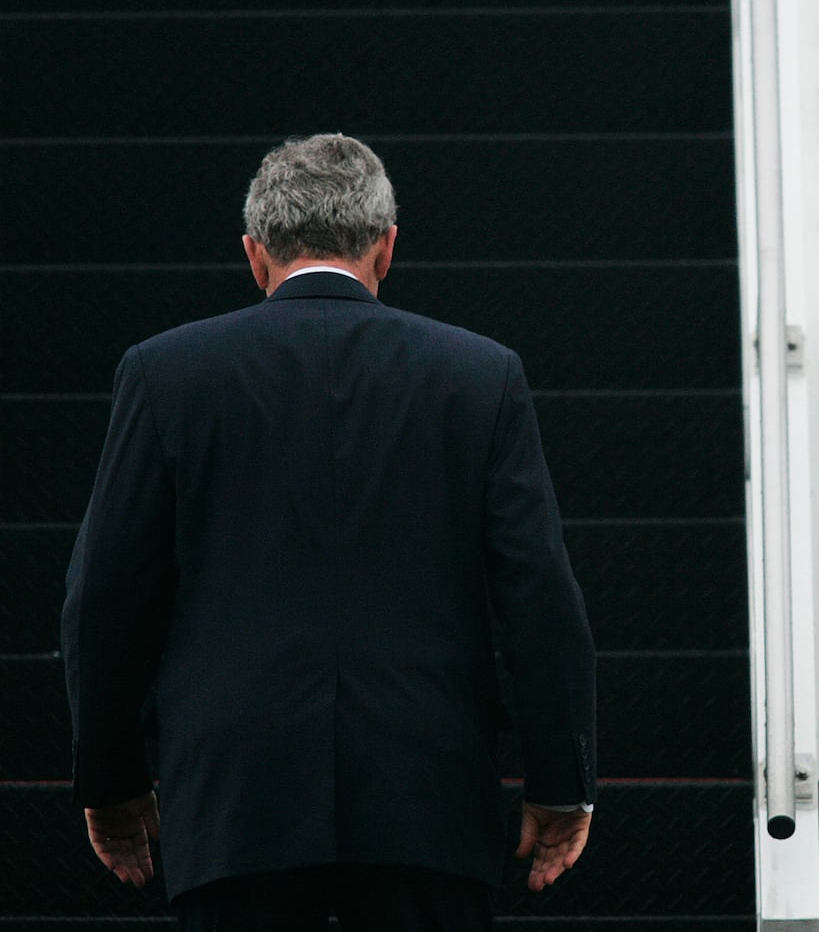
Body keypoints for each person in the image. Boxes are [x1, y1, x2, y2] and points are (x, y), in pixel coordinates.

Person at [61, 133, 597, 930]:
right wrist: (559, 781)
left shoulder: (165, 373)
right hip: (427, 806)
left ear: (254, 254)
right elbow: (539, 596)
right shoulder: (481, 375)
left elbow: (104, 597)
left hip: (236, 809)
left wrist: (111, 783)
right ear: (387, 249)